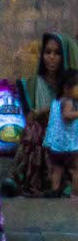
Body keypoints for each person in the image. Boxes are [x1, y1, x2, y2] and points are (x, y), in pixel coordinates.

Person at [13, 31, 78, 198]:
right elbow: (30, 119)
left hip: (72, 136)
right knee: (32, 131)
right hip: (46, 136)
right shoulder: (31, 85)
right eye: (47, 52)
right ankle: (33, 182)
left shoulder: (74, 88)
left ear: (66, 57)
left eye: (57, 53)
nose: (51, 57)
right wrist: (54, 109)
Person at [43, 69, 78, 198]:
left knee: (57, 169)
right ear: (67, 88)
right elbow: (66, 115)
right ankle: (75, 194)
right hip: (68, 145)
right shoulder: (68, 102)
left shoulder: (55, 102)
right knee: (75, 170)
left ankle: (55, 190)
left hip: (55, 145)